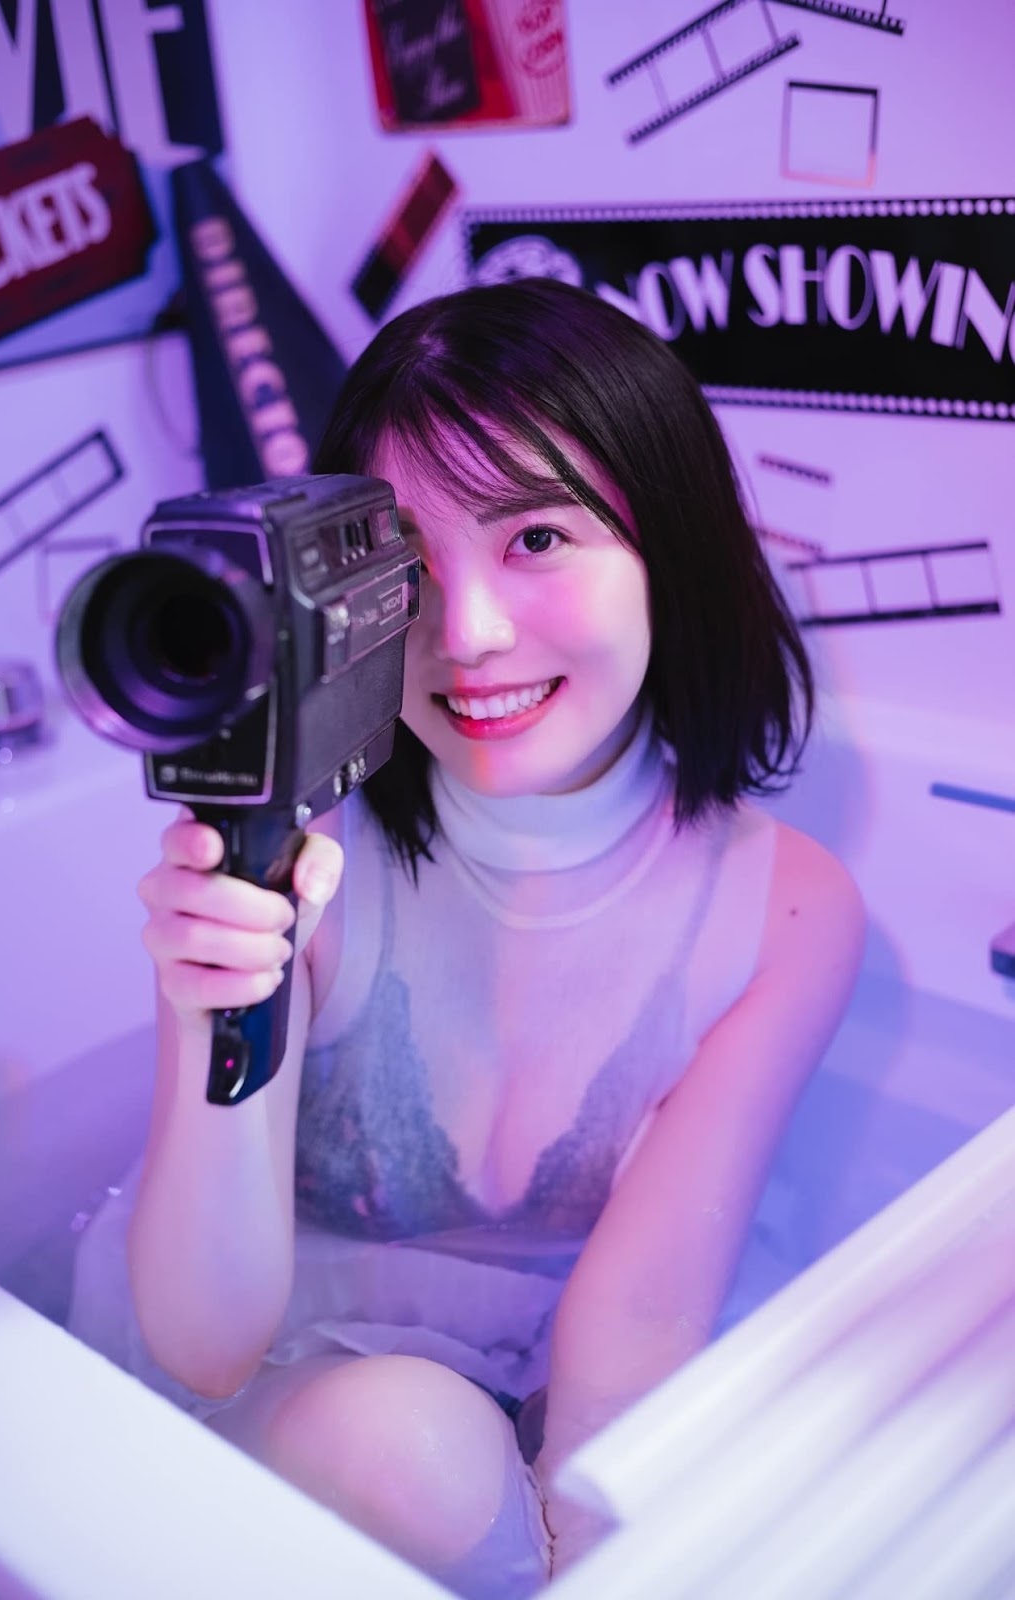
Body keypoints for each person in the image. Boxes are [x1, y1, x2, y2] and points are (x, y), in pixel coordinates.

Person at [69, 278, 865, 1597]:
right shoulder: (300, 843)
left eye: (536, 538)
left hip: (529, 1409)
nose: (470, 634)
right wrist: (218, 1003)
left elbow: (636, 1332)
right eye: (408, 565)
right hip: (258, 1408)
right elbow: (203, 1343)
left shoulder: (781, 907)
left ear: (668, 546)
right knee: (418, 1448)